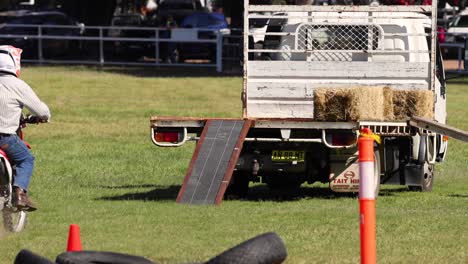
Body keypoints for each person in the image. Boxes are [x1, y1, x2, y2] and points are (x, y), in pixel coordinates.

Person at [0, 45, 51, 211]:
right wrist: (44, 117)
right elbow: (42, 111)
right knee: (26, 159)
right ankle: (20, 195)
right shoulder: (17, 85)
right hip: (5, 137)